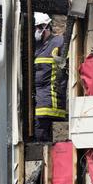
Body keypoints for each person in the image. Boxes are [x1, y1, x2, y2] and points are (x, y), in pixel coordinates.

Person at [34, 12, 68, 142]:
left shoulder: (58, 42)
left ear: (46, 27)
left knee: (41, 134)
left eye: (38, 27)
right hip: (37, 98)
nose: (36, 31)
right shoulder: (35, 46)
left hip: (50, 98)